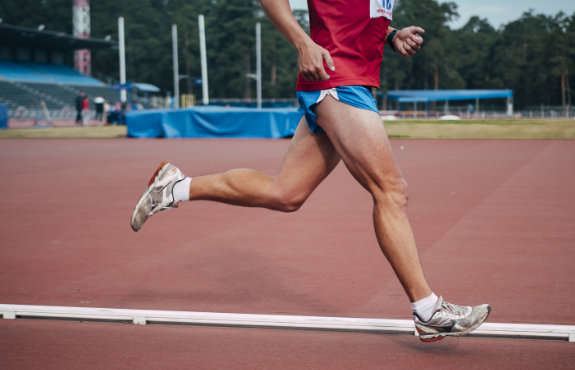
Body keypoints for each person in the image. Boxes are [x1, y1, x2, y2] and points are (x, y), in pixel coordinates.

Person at [130, 0, 490, 342]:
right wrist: (302, 41)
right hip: (338, 79)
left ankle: (174, 186)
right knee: (391, 190)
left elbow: (351, 14)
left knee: (285, 193)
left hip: (352, 80)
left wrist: (391, 34)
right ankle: (427, 312)